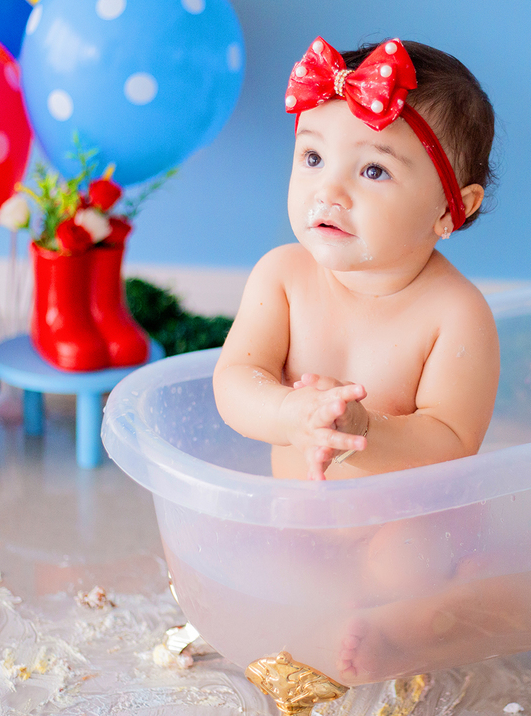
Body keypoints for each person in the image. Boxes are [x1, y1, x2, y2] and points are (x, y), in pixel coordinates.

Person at [213, 36, 500, 482]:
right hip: (297, 514)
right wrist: (288, 412)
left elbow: (453, 441)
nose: (327, 191)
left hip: (402, 522)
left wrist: (365, 430)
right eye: (313, 157)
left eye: (373, 171)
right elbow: (235, 381)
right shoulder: (283, 278)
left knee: (411, 553)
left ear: (449, 208)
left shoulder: (456, 314)